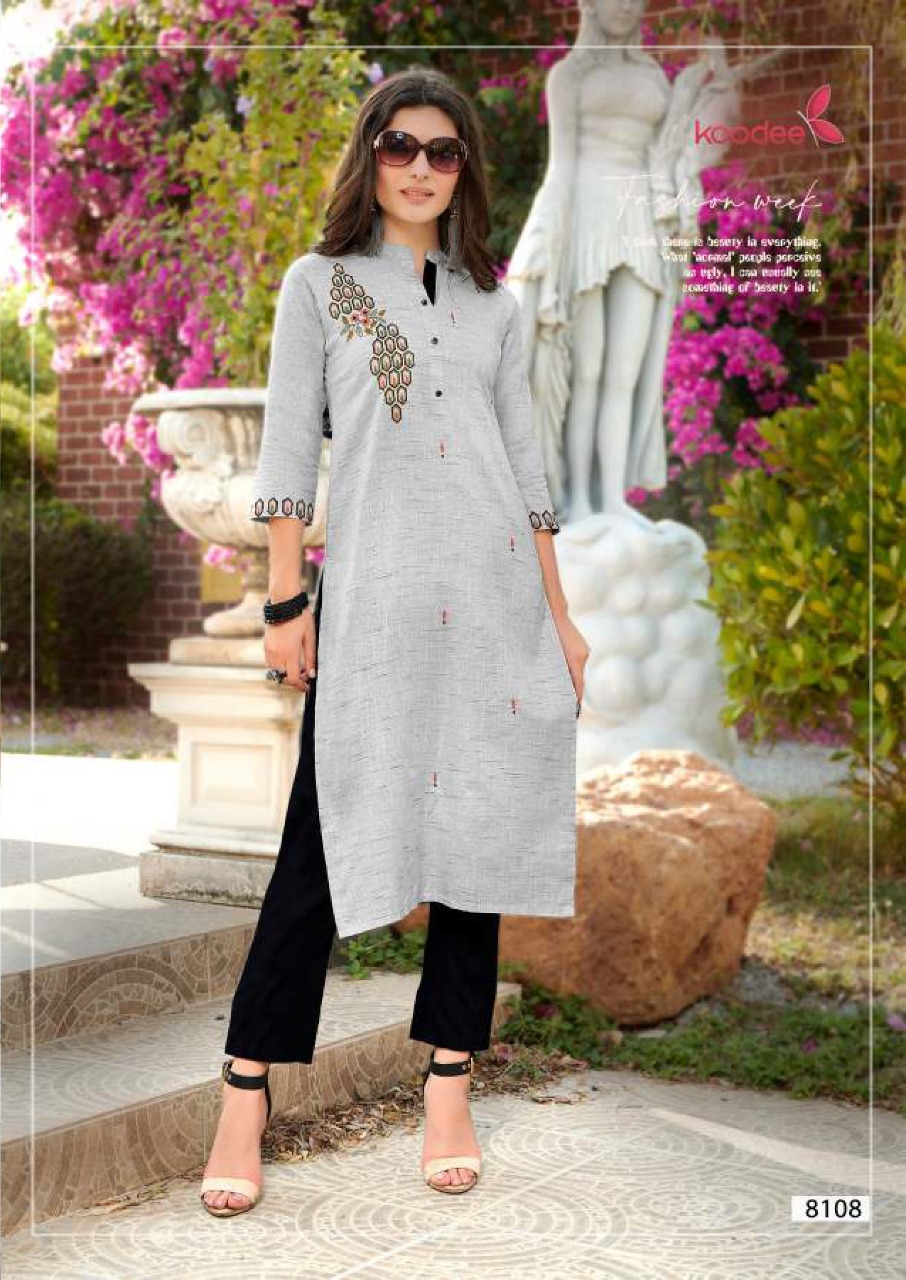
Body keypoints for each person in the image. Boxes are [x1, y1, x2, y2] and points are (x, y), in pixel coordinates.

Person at [200, 66, 590, 1217]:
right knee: (316, 853)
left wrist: (560, 617)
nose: (421, 167)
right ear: (369, 155)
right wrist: (285, 602)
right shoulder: (319, 287)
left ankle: (449, 1084)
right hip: (373, 605)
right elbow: (287, 455)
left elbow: (526, 469)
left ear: (465, 170)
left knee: (479, 841)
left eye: (443, 150)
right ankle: (244, 1091)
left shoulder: (495, 308)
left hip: (495, 603)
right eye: (399, 145)